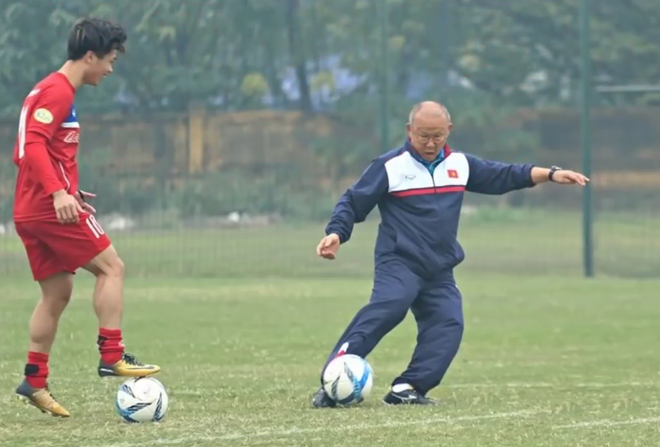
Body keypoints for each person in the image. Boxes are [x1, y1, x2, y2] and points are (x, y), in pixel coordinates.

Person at [312, 101, 589, 407]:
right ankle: (331, 381)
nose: (430, 144)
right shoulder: (390, 166)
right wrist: (337, 232)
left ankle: (408, 387)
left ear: (449, 131)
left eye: (438, 136)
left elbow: (505, 175)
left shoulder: (460, 164)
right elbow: (353, 202)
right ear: (409, 131)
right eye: (423, 136)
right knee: (390, 306)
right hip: (399, 261)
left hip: (439, 268)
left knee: (448, 323)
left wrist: (551, 174)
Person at [12, 17, 160, 418]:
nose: (110, 69)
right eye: (109, 60)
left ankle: (34, 379)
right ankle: (112, 354)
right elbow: (33, 148)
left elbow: (38, 150)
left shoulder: (50, 89)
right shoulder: (58, 91)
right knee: (112, 268)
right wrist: (59, 193)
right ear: (90, 56)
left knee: (56, 293)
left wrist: (70, 189)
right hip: (48, 208)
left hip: (29, 208)